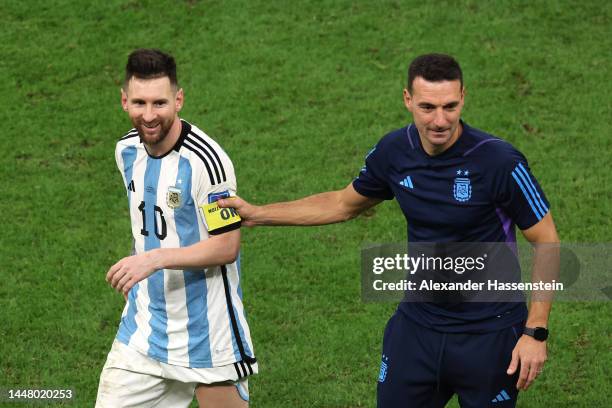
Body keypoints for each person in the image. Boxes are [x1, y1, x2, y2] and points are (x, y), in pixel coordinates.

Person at [219, 53, 559, 407]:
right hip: (418, 327)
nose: (439, 120)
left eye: (450, 106)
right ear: (407, 100)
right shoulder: (395, 152)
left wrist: (535, 332)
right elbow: (342, 204)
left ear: (463, 98)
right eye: (427, 107)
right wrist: (258, 214)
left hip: (490, 333)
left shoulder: (500, 162)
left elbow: (547, 241)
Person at [96, 49, 257, 408]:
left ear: (178, 99)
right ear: (124, 100)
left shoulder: (207, 163)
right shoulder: (126, 151)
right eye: (139, 102)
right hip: (143, 333)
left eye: (160, 103)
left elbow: (227, 246)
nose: (149, 115)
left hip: (206, 336)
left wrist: (153, 260)